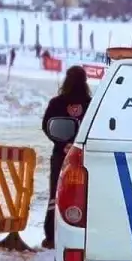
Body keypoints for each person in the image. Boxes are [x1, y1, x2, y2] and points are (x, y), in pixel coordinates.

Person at [41, 65, 92, 249]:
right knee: (84, 196)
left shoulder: (57, 103)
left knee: (56, 194)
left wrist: (63, 145)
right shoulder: (91, 104)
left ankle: (52, 235)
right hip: (86, 157)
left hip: (60, 155)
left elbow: (47, 126)